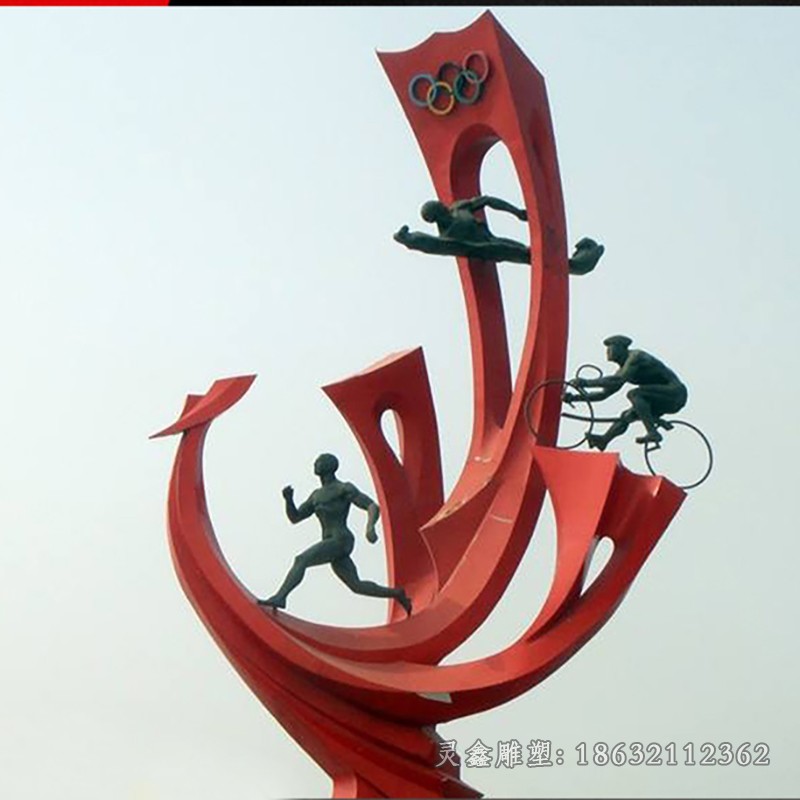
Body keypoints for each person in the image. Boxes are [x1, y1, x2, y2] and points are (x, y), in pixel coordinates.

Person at [257, 453, 413, 616]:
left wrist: (370, 527)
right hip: (331, 542)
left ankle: (281, 597)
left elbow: (371, 506)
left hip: (341, 539)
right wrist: (289, 500)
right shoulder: (316, 495)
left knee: (301, 560)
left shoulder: (343, 488)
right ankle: (397, 594)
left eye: (319, 462)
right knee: (356, 586)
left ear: (328, 466)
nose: (315, 464)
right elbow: (295, 517)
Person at [393, 195, 604, 274]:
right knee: (531, 255)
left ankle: (578, 264)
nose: (443, 206)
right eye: (439, 208)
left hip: (493, 241)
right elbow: (429, 244)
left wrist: (517, 212)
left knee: (531, 253)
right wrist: (408, 240)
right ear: (436, 217)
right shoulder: (448, 236)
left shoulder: (459, 208)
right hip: (488, 250)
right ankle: (579, 265)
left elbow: (487, 200)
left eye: (440, 204)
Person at [563, 335, 688, 451]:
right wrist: (574, 398)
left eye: (610, 347)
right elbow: (603, 394)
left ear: (621, 348)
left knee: (635, 394)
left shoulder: (636, 357)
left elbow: (617, 380)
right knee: (626, 416)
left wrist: (587, 382)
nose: (607, 351)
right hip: (658, 399)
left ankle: (652, 433)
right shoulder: (623, 369)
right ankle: (604, 440)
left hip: (675, 393)